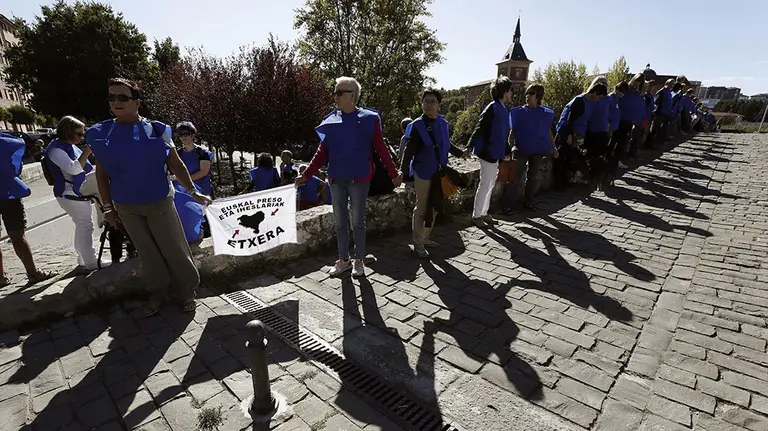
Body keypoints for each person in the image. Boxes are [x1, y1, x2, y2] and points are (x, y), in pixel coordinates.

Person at [86, 78, 211, 317]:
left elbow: (177, 165)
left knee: (174, 248)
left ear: (137, 102)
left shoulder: (157, 130)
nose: (116, 102)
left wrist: (193, 191)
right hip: (126, 206)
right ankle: (158, 293)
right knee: (147, 252)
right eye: (112, 97)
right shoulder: (101, 134)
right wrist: (108, 208)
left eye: (123, 97)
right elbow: (101, 175)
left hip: (159, 201)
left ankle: (186, 292)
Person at [297, 76, 402, 277]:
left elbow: (381, 150)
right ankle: (343, 260)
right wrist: (306, 175)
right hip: (336, 178)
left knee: (358, 221)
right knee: (340, 222)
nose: (334, 97)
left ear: (352, 96)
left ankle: (358, 260)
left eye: (338, 93)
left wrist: (394, 174)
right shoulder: (330, 121)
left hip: (360, 179)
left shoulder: (370, 119)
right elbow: (322, 152)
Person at [400, 88, 468, 258]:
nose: (429, 104)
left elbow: (447, 144)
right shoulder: (417, 126)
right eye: (426, 101)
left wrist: (461, 153)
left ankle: (425, 237)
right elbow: (408, 151)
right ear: (422, 104)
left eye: (433, 101)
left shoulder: (443, 124)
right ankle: (418, 243)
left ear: (438, 104)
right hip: (423, 172)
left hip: (439, 172)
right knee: (422, 208)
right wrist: (401, 172)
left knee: (436, 206)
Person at [43, 115, 109, 271]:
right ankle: (91, 261)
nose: (82, 137)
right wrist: (88, 150)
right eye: (79, 134)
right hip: (69, 193)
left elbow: (86, 167)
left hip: (77, 192)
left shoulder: (69, 146)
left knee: (82, 226)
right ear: (67, 132)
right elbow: (73, 168)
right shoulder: (55, 149)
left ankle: (83, 259)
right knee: (86, 226)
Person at [0, 132, 56, 287]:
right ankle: (32, 273)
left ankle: (0, 277)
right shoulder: (6, 141)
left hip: (8, 192)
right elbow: (17, 156)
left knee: (17, 236)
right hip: (8, 192)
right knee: (17, 236)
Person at [503, 84, 557, 214]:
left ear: (538, 96)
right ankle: (508, 205)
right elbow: (512, 132)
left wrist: (554, 147)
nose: (527, 96)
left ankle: (529, 202)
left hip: (537, 150)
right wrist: (509, 149)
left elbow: (548, 130)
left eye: (531, 93)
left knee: (533, 177)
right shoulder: (518, 112)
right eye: (527, 93)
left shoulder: (545, 113)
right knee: (515, 177)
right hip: (521, 148)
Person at [468, 76, 513, 228]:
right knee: (485, 183)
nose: (512, 93)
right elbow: (480, 127)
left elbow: (502, 132)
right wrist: (469, 146)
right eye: (510, 90)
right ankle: (476, 215)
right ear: (505, 92)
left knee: (491, 182)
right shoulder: (493, 108)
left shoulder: (501, 108)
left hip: (495, 151)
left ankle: (484, 212)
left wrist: (506, 149)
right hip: (487, 151)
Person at [553, 83, 608, 190]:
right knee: (562, 158)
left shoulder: (588, 102)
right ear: (595, 93)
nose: (598, 100)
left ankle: (564, 181)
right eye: (599, 97)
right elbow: (570, 118)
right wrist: (569, 134)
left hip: (576, 134)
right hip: (567, 133)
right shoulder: (579, 101)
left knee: (569, 159)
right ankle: (558, 183)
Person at [176, 121, 214, 197]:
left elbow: (203, 172)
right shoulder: (178, 153)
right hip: (185, 193)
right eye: (181, 135)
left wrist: (183, 180)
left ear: (192, 135)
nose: (184, 137)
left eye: (186, 134)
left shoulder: (203, 153)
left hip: (203, 193)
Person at [617, 74, 647, 160]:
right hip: (621, 118)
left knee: (626, 140)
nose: (637, 84)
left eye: (639, 82)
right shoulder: (625, 89)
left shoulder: (638, 94)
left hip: (631, 120)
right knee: (619, 140)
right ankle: (617, 158)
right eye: (636, 81)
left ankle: (622, 157)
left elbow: (639, 107)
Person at [651, 79, 675, 147]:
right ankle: (651, 143)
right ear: (666, 83)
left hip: (666, 113)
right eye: (670, 84)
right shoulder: (662, 91)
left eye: (673, 84)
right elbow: (657, 103)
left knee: (662, 129)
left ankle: (659, 141)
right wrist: (656, 113)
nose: (671, 86)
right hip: (660, 113)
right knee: (655, 128)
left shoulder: (669, 93)